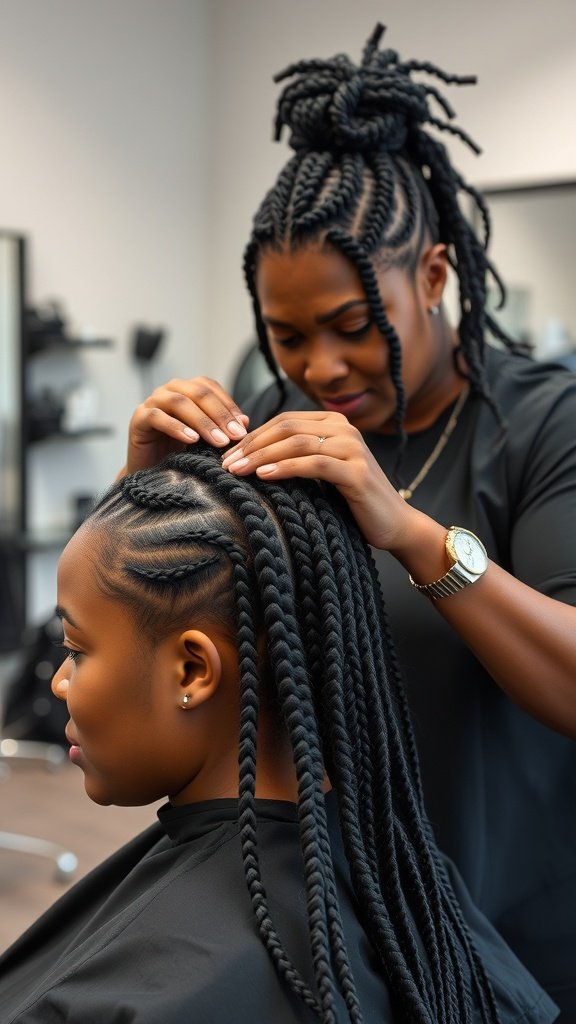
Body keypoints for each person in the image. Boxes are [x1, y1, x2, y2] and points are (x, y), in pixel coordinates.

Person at [118, 24, 576, 1020]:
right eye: (288, 336)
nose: (321, 369)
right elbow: (182, 675)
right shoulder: (279, 429)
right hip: (333, 932)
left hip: (508, 942)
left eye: (355, 326)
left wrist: (409, 533)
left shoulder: (541, 426)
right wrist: (143, 495)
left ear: (438, 276)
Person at [0, 444, 559, 1023]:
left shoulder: (164, 988)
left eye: (76, 650)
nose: (61, 683)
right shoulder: (404, 876)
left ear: (193, 671)